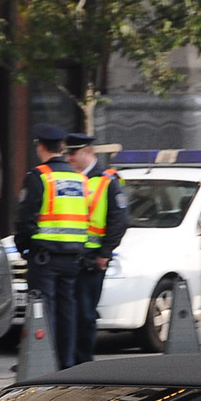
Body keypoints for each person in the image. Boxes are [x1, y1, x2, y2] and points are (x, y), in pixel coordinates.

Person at [15, 123, 89, 369]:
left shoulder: (40, 177)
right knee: (68, 311)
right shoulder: (79, 179)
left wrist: (23, 247)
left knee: (44, 311)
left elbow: (26, 218)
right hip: (73, 257)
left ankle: (47, 363)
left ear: (41, 146)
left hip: (45, 258)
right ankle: (66, 363)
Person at [66, 132, 129, 366]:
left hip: (92, 260)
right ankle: (67, 362)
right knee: (68, 314)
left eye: (73, 153)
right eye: (67, 153)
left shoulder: (107, 181)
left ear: (88, 152)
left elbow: (119, 220)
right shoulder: (69, 179)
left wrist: (105, 253)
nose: (69, 158)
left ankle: (83, 362)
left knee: (85, 314)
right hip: (68, 256)